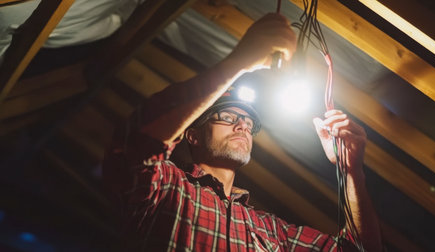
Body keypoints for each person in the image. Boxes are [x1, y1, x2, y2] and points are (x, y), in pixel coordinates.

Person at [103, 13, 382, 251]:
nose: (242, 126)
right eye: (227, 117)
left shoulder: (270, 229)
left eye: (249, 124)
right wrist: (238, 62)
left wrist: (351, 172)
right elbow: (135, 145)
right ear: (193, 135)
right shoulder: (167, 187)